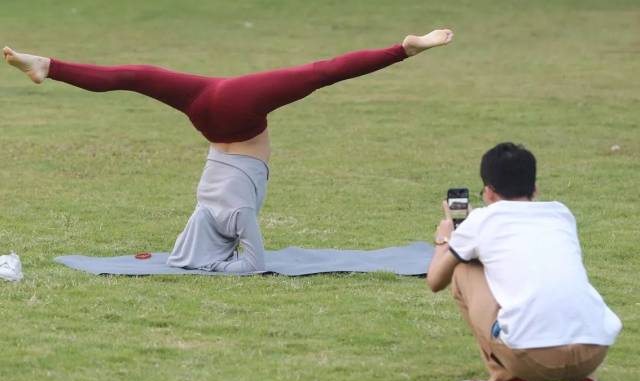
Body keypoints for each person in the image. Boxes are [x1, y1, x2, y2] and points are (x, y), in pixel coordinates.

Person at [3, 29, 454, 273]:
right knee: (137, 76)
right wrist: (225, 267)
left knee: (318, 74)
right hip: (219, 116)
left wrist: (215, 264)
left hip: (225, 115)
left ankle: (49, 65)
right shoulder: (230, 214)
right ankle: (404, 49)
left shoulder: (220, 214)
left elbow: (198, 257)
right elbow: (250, 263)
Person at [427, 142, 622, 381]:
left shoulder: (480, 221)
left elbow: (434, 281)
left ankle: (507, 380)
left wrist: (445, 239)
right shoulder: (561, 214)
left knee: (463, 268)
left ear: (488, 193)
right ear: (535, 188)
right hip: (594, 352)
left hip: (534, 358)